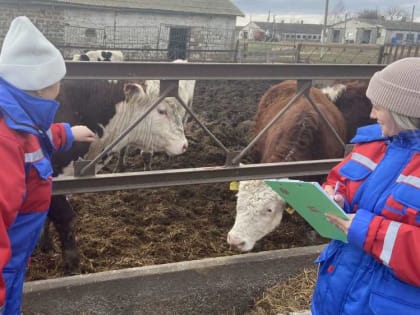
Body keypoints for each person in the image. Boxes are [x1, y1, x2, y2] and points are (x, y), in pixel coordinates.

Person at [0, 16, 96, 314]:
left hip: (15, 259)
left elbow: (33, 137)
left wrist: (65, 133)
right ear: (42, 88)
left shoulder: (18, 117)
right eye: (58, 81)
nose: (61, 88)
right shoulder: (5, 143)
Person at [312, 57, 420, 315]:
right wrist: (336, 197)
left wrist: (369, 231)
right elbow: (339, 181)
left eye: (378, 107)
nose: (372, 114)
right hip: (335, 291)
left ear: (403, 112)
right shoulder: (372, 143)